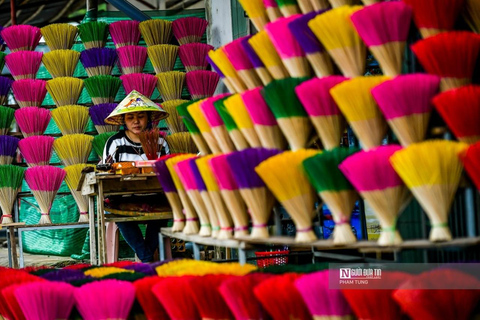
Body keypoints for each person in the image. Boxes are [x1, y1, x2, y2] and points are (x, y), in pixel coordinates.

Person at [102, 91, 170, 262]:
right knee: (120, 216)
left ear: (148, 119)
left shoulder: (160, 142)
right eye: (130, 117)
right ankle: (147, 259)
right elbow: (105, 171)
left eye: (141, 116)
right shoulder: (115, 143)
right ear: (124, 121)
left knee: (164, 213)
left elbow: (169, 171)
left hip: (155, 197)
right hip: (123, 198)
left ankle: (145, 258)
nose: (136, 121)